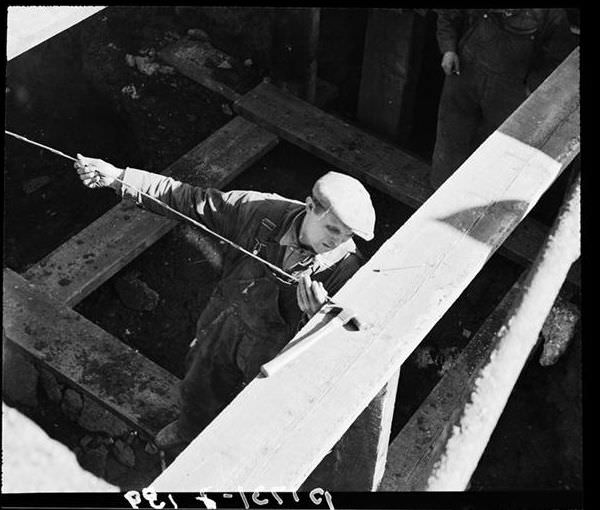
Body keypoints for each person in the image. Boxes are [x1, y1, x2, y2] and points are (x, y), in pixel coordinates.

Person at [74, 154, 375, 451]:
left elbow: (350, 345)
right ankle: (188, 429)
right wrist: (120, 177)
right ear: (310, 207)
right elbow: (188, 199)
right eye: (332, 229)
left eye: (346, 235)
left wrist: (317, 319)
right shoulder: (260, 212)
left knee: (264, 407)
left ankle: (239, 452)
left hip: (276, 348)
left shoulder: (344, 268)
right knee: (200, 379)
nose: (337, 242)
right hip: (225, 318)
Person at [430, 9, 575, 189]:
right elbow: (447, 15)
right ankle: (437, 195)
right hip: (464, 74)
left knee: (497, 151)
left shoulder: (551, 14)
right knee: (450, 139)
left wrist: (531, 87)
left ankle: (474, 208)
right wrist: (448, 49)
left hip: (510, 90)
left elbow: (558, 56)